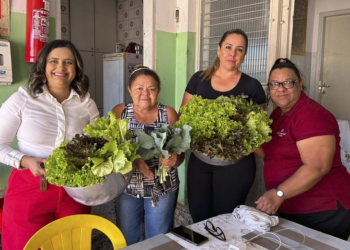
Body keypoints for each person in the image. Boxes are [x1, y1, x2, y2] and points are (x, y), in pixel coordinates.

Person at [0, 40, 99, 249]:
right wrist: (25, 160)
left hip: (74, 190)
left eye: (68, 62)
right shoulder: (23, 99)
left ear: (77, 68)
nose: (61, 68)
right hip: (28, 189)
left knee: (72, 245)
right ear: (44, 66)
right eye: (54, 61)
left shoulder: (86, 104)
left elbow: (99, 144)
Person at [255, 58, 350, 240]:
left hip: (323, 209)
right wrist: (252, 145)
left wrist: (278, 194)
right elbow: (272, 154)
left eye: (287, 83)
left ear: (300, 84)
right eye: (274, 84)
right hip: (293, 207)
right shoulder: (277, 114)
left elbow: (317, 167)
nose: (280, 89)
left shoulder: (311, 116)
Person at [180, 29, 266, 223]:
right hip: (199, 164)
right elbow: (183, 117)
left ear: (244, 55)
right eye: (228, 47)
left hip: (236, 166)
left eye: (239, 49)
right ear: (219, 50)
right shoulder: (198, 79)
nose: (232, 53)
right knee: (200, 219)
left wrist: (242, 141)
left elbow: (260, 130)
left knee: (226, 222)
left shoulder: (252, 86)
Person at [112, 67, 185, 245]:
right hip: (127, 188)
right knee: (128, 239)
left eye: (151, 89)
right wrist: (133, 161)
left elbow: (181, 152)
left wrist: (175, 160)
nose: (145, 93)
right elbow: (109, 151)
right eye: (139, 88)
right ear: (129, 90)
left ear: (158, 90)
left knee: (158, 240)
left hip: (162, 189)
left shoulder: (168, 114)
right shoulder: (120, 112)